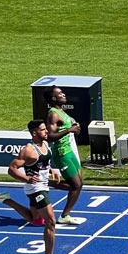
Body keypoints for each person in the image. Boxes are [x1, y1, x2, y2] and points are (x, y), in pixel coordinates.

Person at [0, 120, 67, 254]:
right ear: (34, 133)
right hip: (35, 188)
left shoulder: (45, 144)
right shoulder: (28, 150)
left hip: (43, 185)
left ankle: (6, 200)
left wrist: (51, 170)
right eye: (43, 130)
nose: (46, 132)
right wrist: (27, 178)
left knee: (36, 221)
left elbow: (43, 163)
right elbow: (12, 169)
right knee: (50, 222)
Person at [42, 86, 86, 225]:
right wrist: (69, 130)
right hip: (61, 153)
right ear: (54, 98)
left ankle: (66, 214)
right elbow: (50, 136)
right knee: (76, 185)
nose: (64, 94)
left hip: (69, 151)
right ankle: (45, 183)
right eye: (60, 93)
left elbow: (68, 124)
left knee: (79, 184)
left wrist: (75, 126)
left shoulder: (62, 111)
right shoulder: (53, 114)